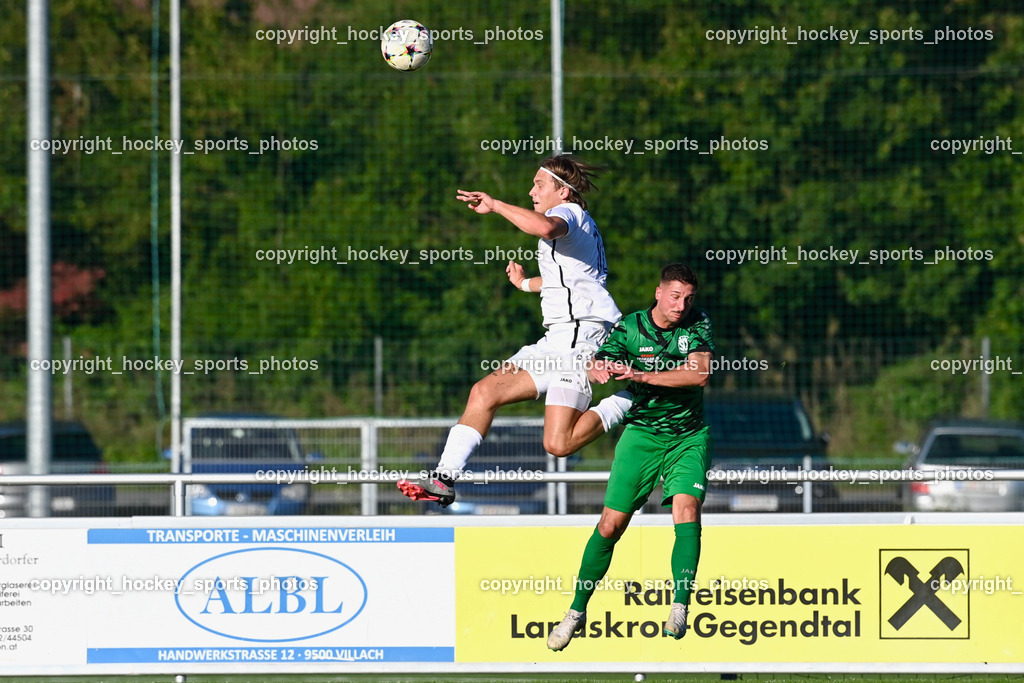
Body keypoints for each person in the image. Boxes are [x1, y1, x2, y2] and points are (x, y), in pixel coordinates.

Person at [398, 156, 632, 507]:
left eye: (539, 185)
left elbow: (545, 228)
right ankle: (443, 479)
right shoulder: (576, 226)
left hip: (580, 342)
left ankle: (632, 398)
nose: (531, 191)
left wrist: (495, 205)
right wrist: (523, 284)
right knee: (483, 393)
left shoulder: (569, 213)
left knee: (558, 444)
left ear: (563, 191)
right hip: (556, 341)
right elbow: (561, 282)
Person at [546, 263, 715, 651]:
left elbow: (699, 374)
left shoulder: (698, 324)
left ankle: (679, 606)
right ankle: (575, 611)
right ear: (659, 293)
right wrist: (599, 367)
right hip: (641, 436)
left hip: (688, 437)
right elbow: (599, 361)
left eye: (688, 299)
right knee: (610, 526)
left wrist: (641, 376)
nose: (681, 306)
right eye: (675, 297)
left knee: (687, 509)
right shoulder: (630, 326)